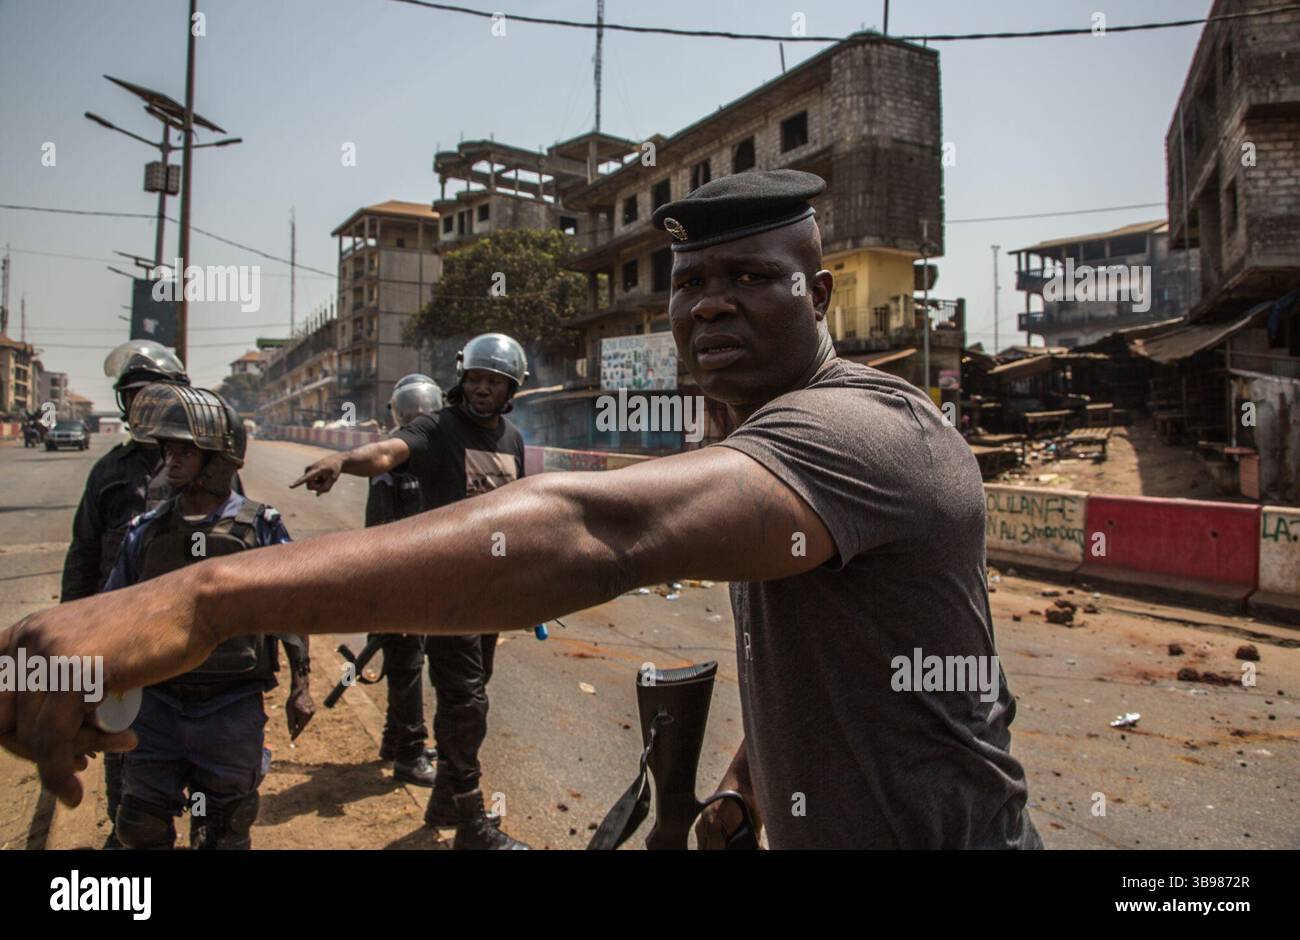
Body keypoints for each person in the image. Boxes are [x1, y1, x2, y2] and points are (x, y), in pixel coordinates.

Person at [4, 170, 1040, 849]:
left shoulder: (860, 431)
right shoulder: (760, 446)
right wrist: (744, 787)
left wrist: (206, 599)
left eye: (746, 278)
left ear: (817, 297)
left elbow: (594, 531)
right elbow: (836, 659)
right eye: (690, 281)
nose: (707, 303)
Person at [291, 337, 530, 850]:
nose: (482, 387)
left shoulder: (512, 439)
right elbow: (387, 452)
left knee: (472, 694)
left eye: (494, 380)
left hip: (494, 596)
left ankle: (445, 797)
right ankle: (471, 822)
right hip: (449, 595)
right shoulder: (439, 428)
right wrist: (343, 461)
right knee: (466, 702)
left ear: (511, 388)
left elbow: (519, 511)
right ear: (462, 380)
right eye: (475, 378)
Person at [103, 383, 313, 849]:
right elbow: (113, 609)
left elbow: (292, 606)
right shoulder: (147, 531)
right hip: (156, 705)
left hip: (231, 706)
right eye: (168, 451)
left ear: (218, 460)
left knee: (228, 826)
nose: (171, 461)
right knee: (139, 825)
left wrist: (301, 686)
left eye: (186, 452)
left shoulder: (260, 527)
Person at [59, 340, 190, 848]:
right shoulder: (109, 472)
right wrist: (70, 634)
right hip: (119, 635)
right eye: (133, 397)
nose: (142, 407)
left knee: (190, 742)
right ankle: (126, 833)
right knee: (122, 739)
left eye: (151, 396)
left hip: (186, 630)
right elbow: (83, 553)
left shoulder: (205, 462)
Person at [365, 374, 444, 787]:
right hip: (400, 585)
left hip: (421, 582)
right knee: (408, 666)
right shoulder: (391, 468)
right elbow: (379, 534)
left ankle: (395, 740)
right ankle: (410, 754)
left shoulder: (426, 459)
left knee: (406, 665)